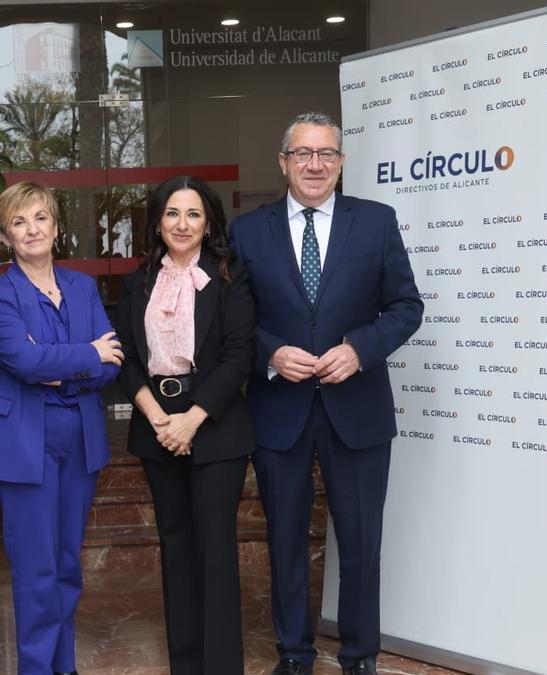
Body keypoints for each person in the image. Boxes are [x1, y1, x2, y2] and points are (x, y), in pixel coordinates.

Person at [228, 112, 423, 675]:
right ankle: (294, 652)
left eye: (327, 154)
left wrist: (360, 349)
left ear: (340, 163)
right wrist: (269, 353)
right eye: (303, 154)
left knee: (362, 543)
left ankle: (360, 655)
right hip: (278, 411)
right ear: (283, 163)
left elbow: (407, 307)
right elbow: (232, 320)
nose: (315, 164)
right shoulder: (248, 231)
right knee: (284, 540)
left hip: (356, 408)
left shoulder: (376, 223)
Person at [0, 181, 122, 675]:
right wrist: (85, 355)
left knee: (66, 566)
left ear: (56, 228)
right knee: (37, 571)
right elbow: (22, 359)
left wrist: (63, 364)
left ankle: (65, 666)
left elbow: (113, 363)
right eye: (19, 222)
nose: (32, 229)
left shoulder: (82, 286)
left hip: (79, 438)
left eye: (40, 218)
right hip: (24, 443)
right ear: (5, 235)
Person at [116, 175, 256, 674]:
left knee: (214, 549)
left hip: (214, 426)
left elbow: (240, 357)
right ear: (157, 221)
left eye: (193, 214)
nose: (182, 223)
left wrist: (191, 421)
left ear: (209, 223)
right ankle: (187, 666)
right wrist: (159, 419)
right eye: (172, 213)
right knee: (174, 545)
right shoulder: (137, 281)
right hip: (157, 428)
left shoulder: (231, 276)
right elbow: (127, 358)